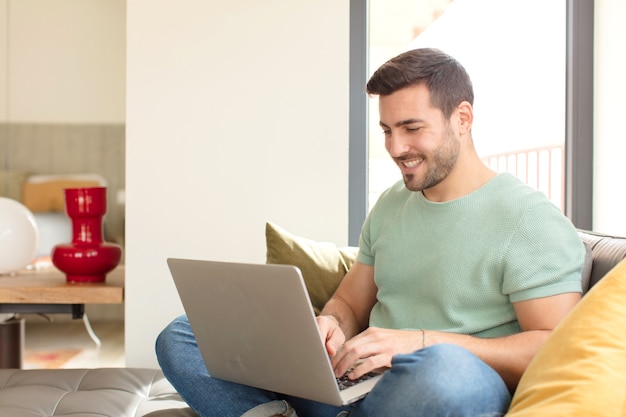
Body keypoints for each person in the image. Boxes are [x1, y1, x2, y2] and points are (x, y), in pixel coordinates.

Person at [155, 48, 586, 417]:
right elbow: (349, 301)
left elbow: (553, 348)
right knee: (183, 334)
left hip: (431, 390)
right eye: (387, 131)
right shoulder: (392, 203)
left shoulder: (528, 218)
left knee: (443, 371)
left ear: (463, 118)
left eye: (412, 128)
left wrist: (417, 343)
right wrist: (330, 325)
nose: (396, 149)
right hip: (351, 385)